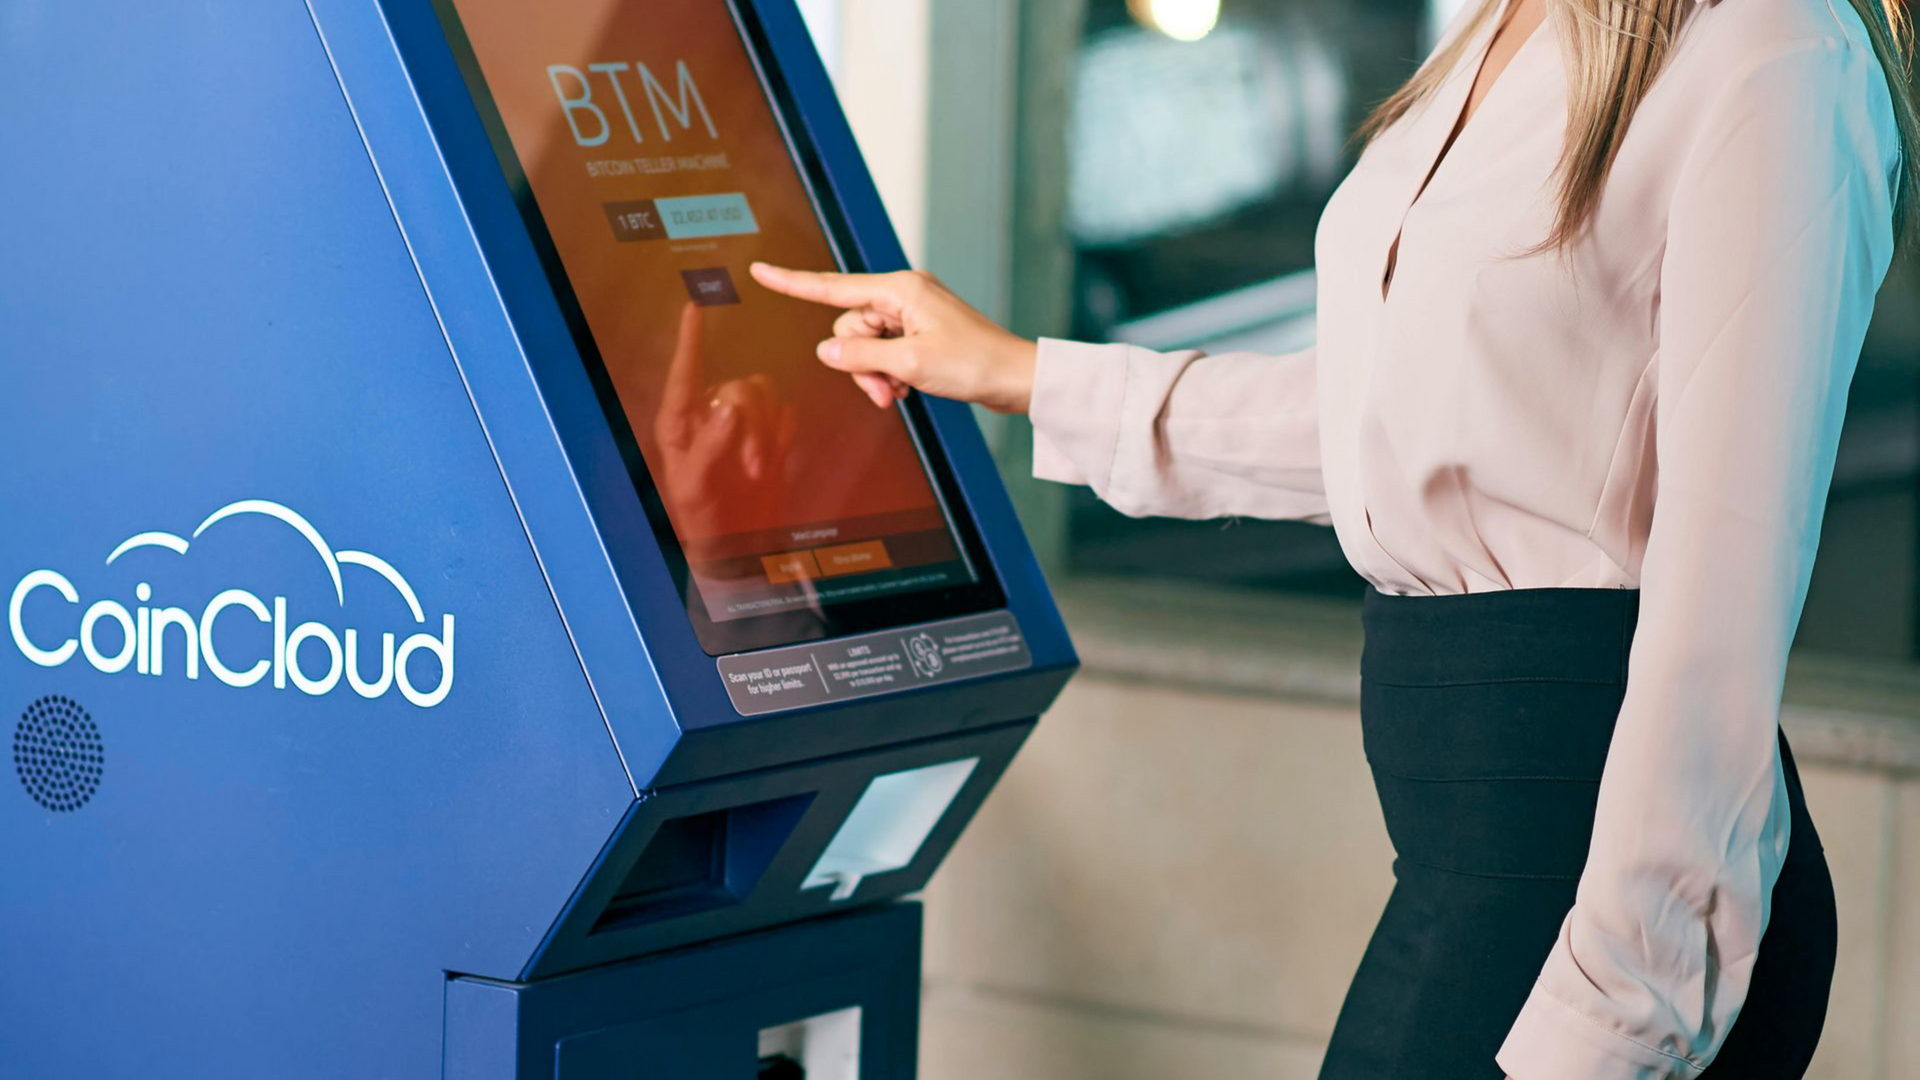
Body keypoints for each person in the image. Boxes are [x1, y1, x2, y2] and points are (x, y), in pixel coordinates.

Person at [752, 0, 1916, 1075]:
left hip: (1604, 875)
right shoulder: (1518, 29)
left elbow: (1726, 595)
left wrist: (1619, 1016)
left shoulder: (1779, 52)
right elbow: (1417, 431)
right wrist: (1017, 374)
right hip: (1479, 851)